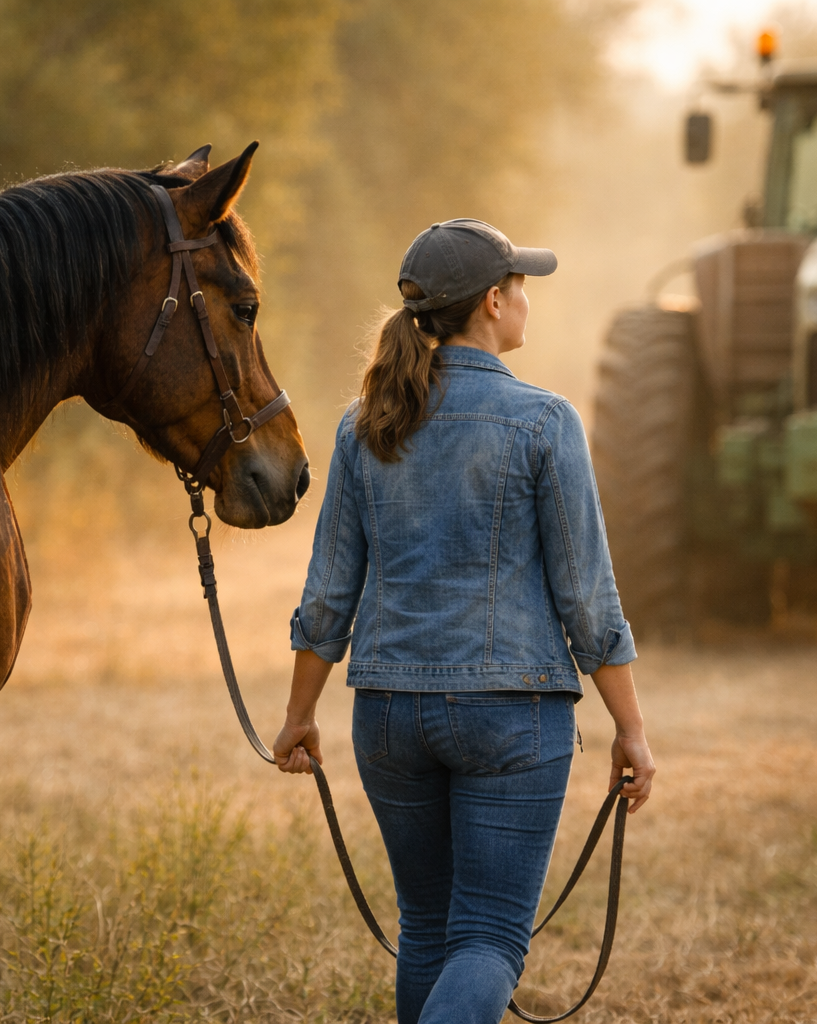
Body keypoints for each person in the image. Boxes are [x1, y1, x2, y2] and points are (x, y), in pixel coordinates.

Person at [272, 219, 656, 1024]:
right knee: (486, 938)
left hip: (386, 716)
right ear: (492, 301)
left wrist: (300, 714)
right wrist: (631, 728)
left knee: (431, 929)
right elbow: (587, 598)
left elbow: (329, 593)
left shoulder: (361, 425)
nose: (526, 300)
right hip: (511, 715)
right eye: (521, 286)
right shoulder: (544, 423)